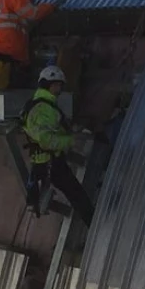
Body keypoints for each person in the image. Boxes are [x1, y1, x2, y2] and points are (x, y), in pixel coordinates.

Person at [22, 65, 94, 225]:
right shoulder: (44, 109)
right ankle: (94, 224)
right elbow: (46, 140)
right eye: (58, 84)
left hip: (43, 162)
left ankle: (92, 222)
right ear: (50, 84)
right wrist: (70, 140)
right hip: (51, 162)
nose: (60, 88)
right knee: (77, 195)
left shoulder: (39, 105)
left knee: (76, 194)